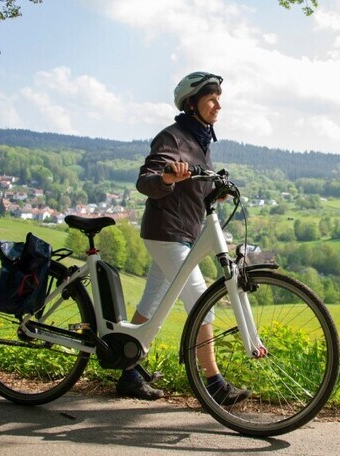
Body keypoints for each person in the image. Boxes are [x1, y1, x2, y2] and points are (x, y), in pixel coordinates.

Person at [115, 72, 251, 405]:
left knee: (152, 303)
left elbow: (196, 182)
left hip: (183, 233)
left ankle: (128, 371)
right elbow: (147, 180)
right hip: (166, 232)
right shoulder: (172, 138)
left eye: (219, 97)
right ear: (192, 104)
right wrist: (166, 176)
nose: (218, 104)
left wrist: (214, 191)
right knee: (201, 301)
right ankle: (213, 383)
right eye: (211, 98)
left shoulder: (201, 140)